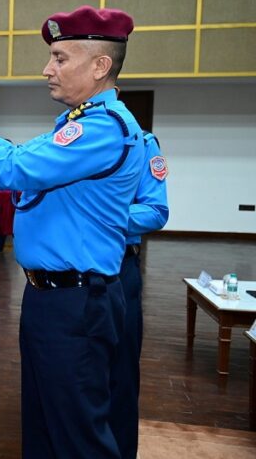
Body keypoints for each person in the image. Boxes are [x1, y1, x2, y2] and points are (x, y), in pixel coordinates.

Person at [0, 5, 144, 458]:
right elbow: (16, 154)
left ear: (100, 66)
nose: (47, 69)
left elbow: (13, 169)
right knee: (44, 425)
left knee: (78, 436)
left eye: (60, 58)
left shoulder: (103, 128)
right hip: (54, 297)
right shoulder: (78, 123)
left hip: (76, 302)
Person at [110, 131, 169, 458]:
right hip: (71, 277)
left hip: (119, 270)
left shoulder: (143, 144)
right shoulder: (68, 140)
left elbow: (156, 211)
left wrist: (100, 216)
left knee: (121, 375)